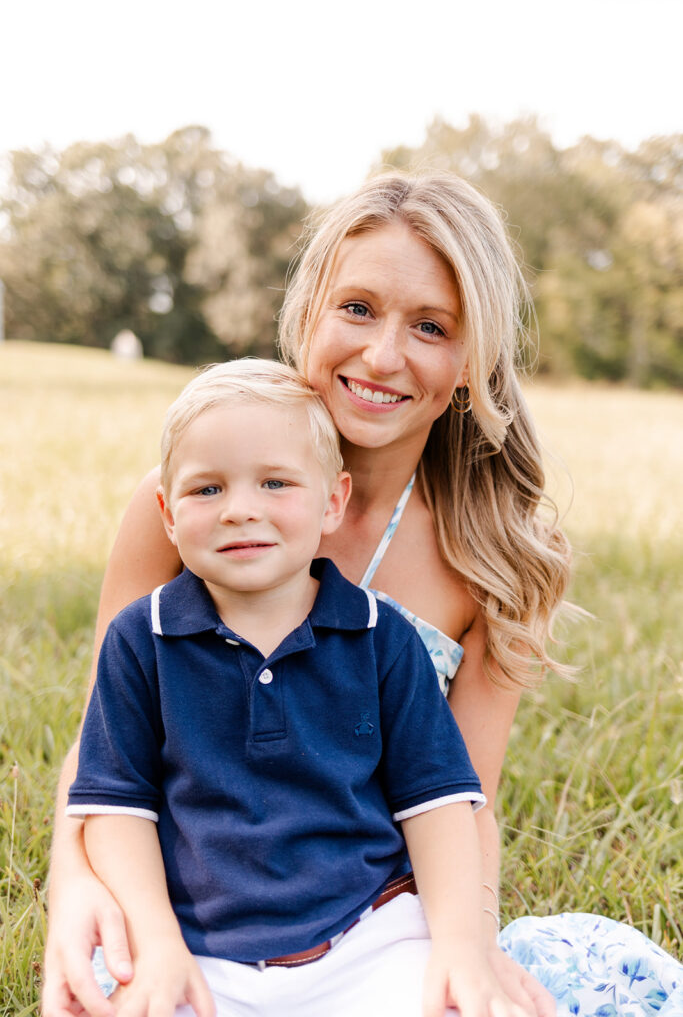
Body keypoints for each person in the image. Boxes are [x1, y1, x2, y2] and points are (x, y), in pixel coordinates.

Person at [43, 171, 683, 1017]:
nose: (383, 355)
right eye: (356, 309)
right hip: (195, 912)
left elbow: (462, 801)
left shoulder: (498, 554)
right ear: (307, 313)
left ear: (470, 362)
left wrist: (467, 952)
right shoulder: (188, 505)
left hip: (371, 924)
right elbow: (105, 741)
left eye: (430, 326)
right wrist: (73, 884)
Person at [66, 357, 529, 1017]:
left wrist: (459, 947)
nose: (239, 511)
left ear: (331, 502)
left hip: (367, 937)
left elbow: (438, 805)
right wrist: (158, 941)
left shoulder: (380, 638)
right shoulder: (141, 639)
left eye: (275, 483)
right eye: (207, 491)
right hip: (198, 945)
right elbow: (115, 807)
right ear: (166, 513)